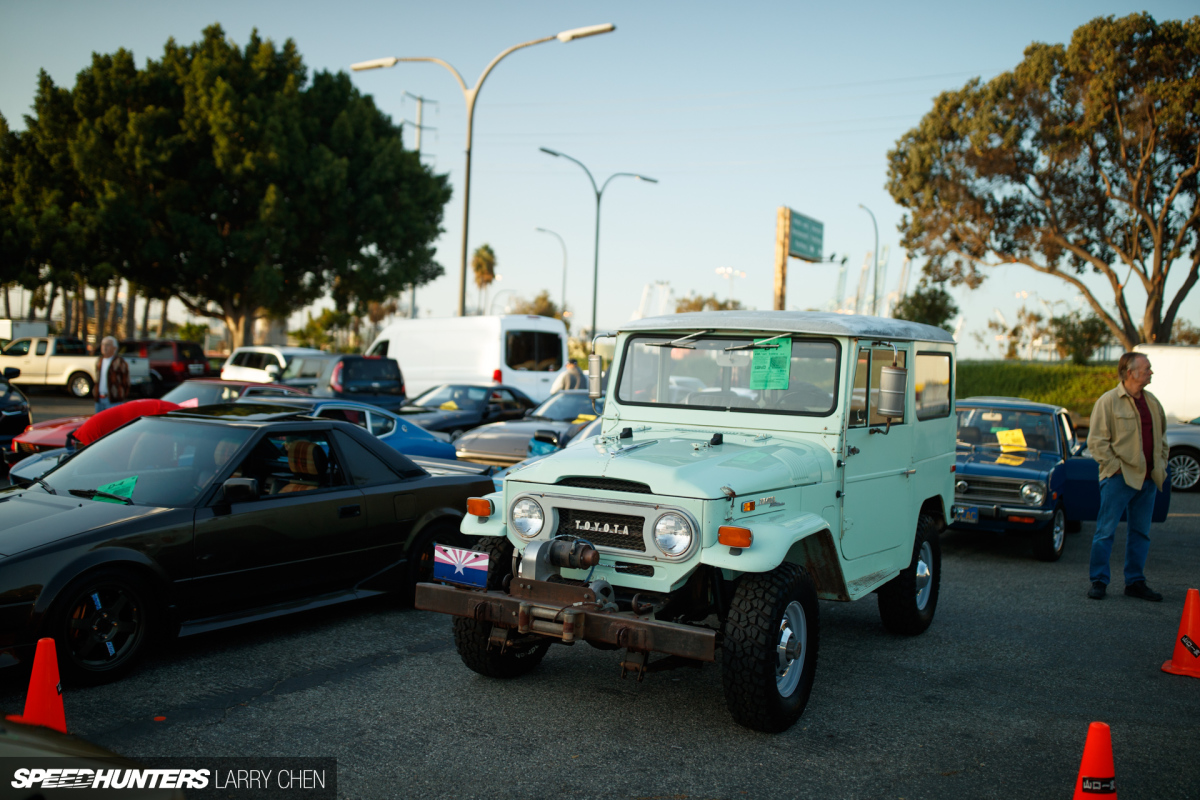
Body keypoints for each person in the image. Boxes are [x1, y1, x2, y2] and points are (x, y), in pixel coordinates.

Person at [1086, 352, 1168, 601]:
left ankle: (1135, 582)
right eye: (1147, 368)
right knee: (1105, 532)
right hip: (1118, 479)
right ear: (1130, 372)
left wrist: (1160, 464)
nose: (1151, 372)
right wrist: (1115, 468)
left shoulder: (1152, 402)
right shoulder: (1108, 401)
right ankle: (1099, 581)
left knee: (1141, 533)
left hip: (1148, 479)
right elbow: (1097, 442)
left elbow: (1162, 439)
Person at [93, 336, 130, 413]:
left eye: (107, 345)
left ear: (115, 348)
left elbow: (126, 381)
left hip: (113, 401)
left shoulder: (120, 362)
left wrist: (120, 395)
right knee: (100, 423)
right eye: (103, 344)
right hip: (99, 400)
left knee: (113, 423)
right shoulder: (99, 361)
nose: (104, 347)